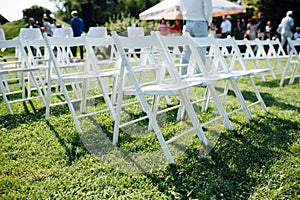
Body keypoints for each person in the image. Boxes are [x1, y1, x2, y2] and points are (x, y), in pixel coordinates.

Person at [179, 0, 213, 75]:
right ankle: (199, 75)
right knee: (201, 51)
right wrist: (209, 21)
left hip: (187, 23)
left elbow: (181, 7)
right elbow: (208, 9)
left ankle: (182, 74)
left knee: (186, 51)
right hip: (200, 22)